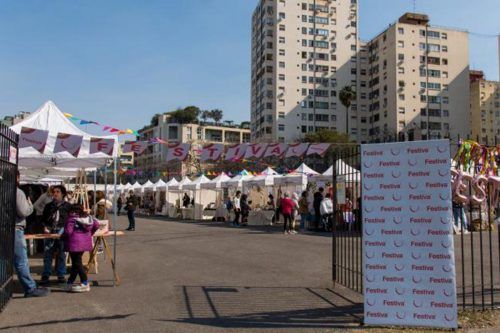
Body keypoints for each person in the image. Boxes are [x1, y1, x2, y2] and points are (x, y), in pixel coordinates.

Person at [15, 171, 49, 297]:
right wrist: (30, 206)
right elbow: (23, 212)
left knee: (3, 260)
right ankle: (30, 288)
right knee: (21, 261)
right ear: (17, 177)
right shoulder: (17, 192)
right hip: (15, 229)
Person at [63, 203, 100, 293]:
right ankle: (70, 282)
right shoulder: (88, 217)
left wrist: (63, 236)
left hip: (74, 243)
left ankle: (85, 282)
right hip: (84, 243)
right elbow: (97, 225)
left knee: (77, 263)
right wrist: (90, 234)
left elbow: (68, 231)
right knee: (76, 263)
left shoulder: (71, 219)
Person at [40, 185, 71, 285]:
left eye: (58, 192)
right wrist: (45, 227)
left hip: (62, 231)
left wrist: (66, 230)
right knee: (47, 254)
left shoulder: (68, 206)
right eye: (54, 192)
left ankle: (61, 275)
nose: (55, 194)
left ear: (63, 194)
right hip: (50, 231)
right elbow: (43, 219)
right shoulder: (48, 206)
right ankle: (46, 275)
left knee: (62, 254)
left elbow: (70, 220)